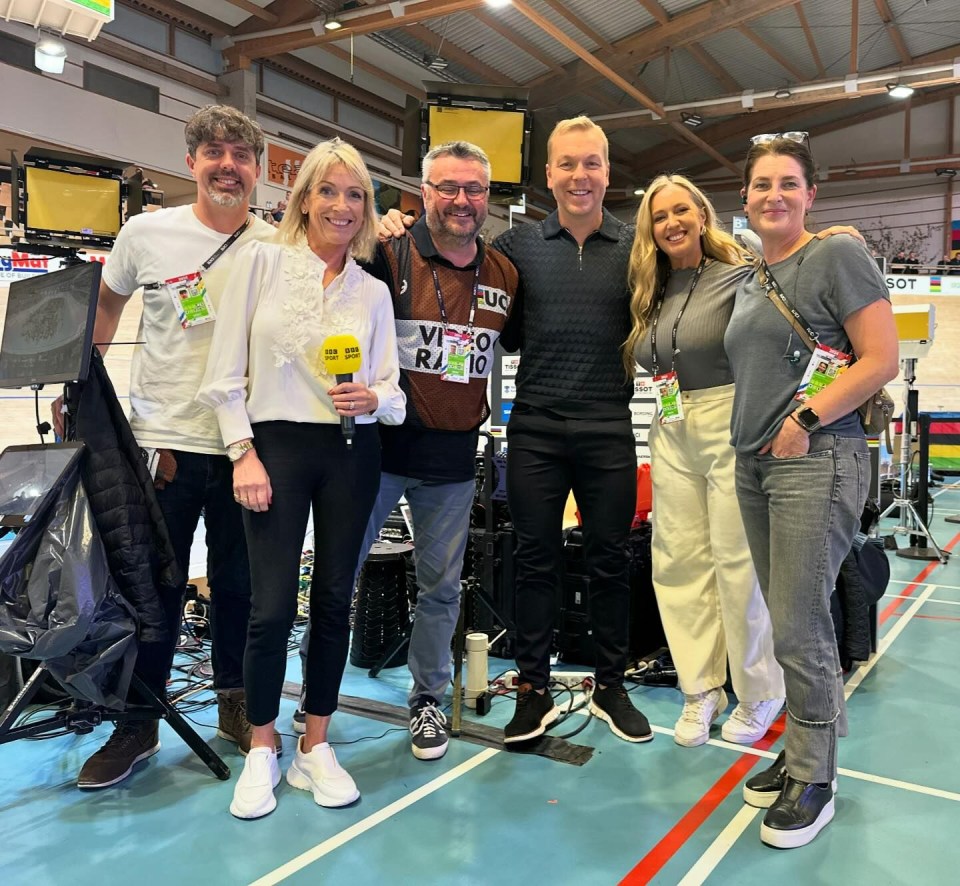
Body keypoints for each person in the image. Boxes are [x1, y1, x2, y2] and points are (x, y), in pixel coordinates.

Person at [69, 105, 279, 790]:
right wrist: (85, 385)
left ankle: (237, 707)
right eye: (214, 151)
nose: (227, 164)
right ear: (191, 162)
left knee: (242, 588)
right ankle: (138, 722)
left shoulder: (276, 245)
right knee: (151, 589)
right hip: (166, 448)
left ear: (259, 168)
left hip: (249, 446)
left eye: (241, 154)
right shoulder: (146, 233)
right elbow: (107, 303)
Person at [198, 137, 405, 820]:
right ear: (304, 198)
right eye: (328, 191)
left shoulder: (372, 291)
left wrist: (374, 398)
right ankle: (263, 743)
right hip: (276, 446)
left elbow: (391, 387)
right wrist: (243, 453)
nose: (341, 206)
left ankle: (315, 738)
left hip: (352, 450)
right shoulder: (260, 264)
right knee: (271, 605)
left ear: (366, 210)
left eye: (355, 195)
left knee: (336, 601)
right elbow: (225, 374)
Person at [294, 141, 517, 761]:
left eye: (474, 188)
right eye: (447, 187)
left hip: (451, 462)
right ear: (424, 193)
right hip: (374, 454)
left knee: (441, 589)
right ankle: (316, 704)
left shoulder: (503, 274)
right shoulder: (380, 253)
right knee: (339, 580)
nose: (461, 200)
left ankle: (427, 702)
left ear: (487, 197)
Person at [726, 133, 898, 848]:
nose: (775, 195)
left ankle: (816, 778)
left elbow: (881, 359)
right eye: (762, 183)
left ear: (811, 195)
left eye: (789, 183)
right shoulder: (748, 276)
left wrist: (802, 419)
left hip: (816, 457)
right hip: (754, 464)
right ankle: (799, 753)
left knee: (801, 625)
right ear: (744, 198)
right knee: (786, 615)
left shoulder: (836, 255)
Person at [494, 117, 652, 744]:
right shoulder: (516, 248)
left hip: (607, 424)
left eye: (591, 163)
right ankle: (533, 689)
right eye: (567, 164)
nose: (579, 176)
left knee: (610, 559)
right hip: (534, 425)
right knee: (534, 559)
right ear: (549, 175)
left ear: (607, 172)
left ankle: (610, 685)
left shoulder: (639, 248)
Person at [626, 174, 786, 748]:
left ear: (701, 213)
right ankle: (701, 687)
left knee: (737, 562)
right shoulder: (652, 289)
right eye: (659, 216)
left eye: (680, 211)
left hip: (728, 421)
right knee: (677, 560)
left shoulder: (740, 276)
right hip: (670, 425)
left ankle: (761, 689)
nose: (671, 223)